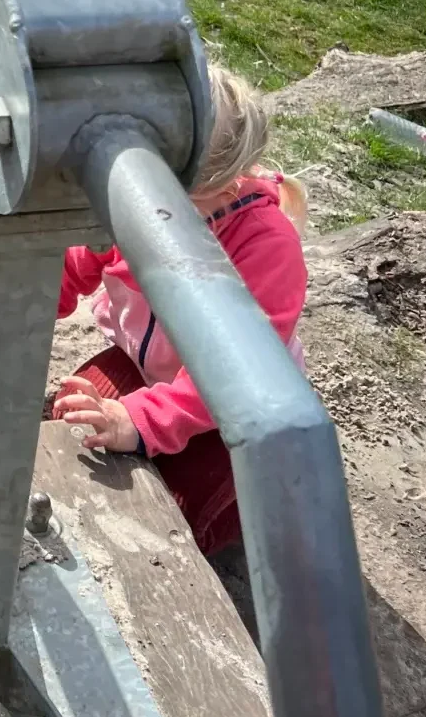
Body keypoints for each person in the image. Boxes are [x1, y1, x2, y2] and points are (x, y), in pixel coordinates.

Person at [50, 64, 307, 556]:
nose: (128, 212)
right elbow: (68, 270)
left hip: (238, 416)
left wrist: (136, 421)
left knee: (168, 526)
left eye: (153, 202)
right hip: (146, 368)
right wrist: (11, 321)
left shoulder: (267, 247)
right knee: (69, 423)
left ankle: (260, 501)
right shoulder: (130, 198)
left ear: (223, 192)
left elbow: (236, 376)